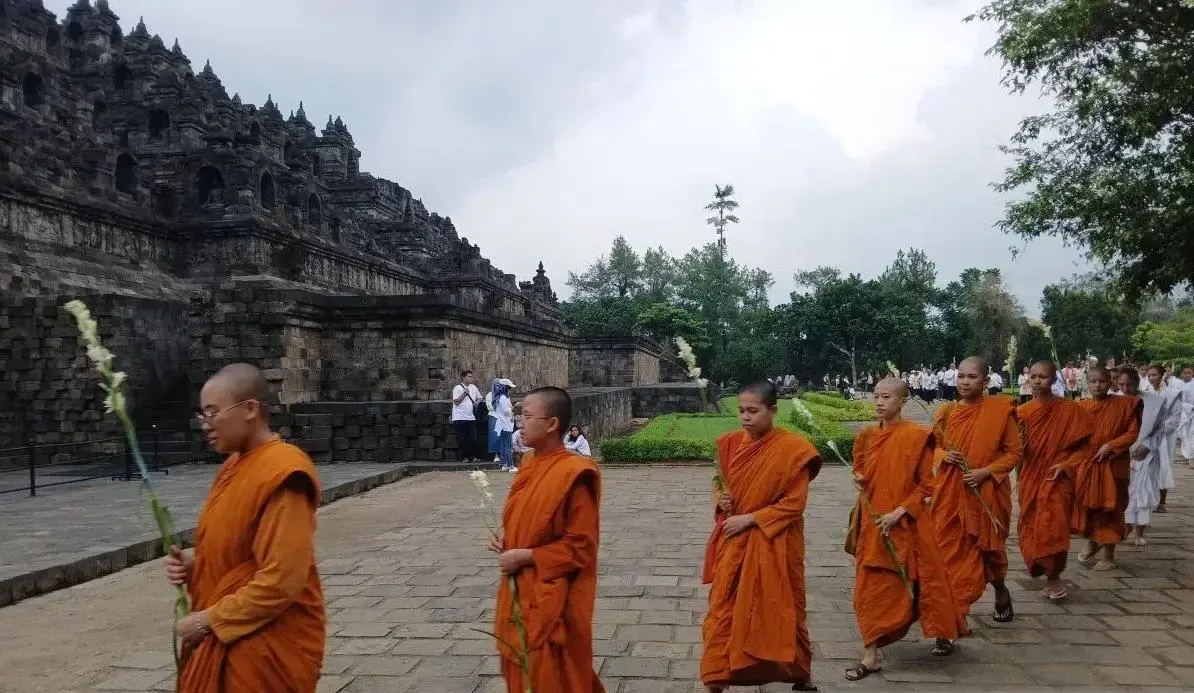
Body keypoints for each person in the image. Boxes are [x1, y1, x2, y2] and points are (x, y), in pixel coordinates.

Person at [165, 364, 325, 692]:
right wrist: (197, 568)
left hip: (264, 647)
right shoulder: (232, 466)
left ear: (250, 409)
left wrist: (209, 620)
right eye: (201, 415)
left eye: (212, 412)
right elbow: (238, 557)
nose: (205, 425)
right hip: (233, 638)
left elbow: (282, 580)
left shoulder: (283, 471)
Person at [700, 382, 822, 692]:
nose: (745, 417)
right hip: (735, 544)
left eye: (753, 411)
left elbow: (794, 504)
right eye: (741, 411)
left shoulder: (794, 450)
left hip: (776, 542)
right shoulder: (729, 444)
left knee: (785, 609)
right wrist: (721, 500)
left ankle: (800, 674)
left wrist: (750, 519)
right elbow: (721, 484)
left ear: (772, 411)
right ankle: (716, 680)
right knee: (723, 610)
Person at [845, 378, 967, 682]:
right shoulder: (866, 436)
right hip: (874, 524)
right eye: (876, 396)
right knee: (869, 588)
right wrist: (859, 479)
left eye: (886, 397)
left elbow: (927, 484)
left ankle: (943, 632)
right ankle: (870, 653)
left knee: (927, 580)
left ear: (902, 401)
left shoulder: (917, 436)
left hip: (909, 523)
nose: (879, 402)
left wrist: (899, 512)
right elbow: (860, 471)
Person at [488, 387, 603, 693]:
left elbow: (580, 547)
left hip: (551, 596)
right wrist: (509, 539)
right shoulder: (528, 464)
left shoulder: (574, 473)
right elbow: (529, 517)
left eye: (526, 415)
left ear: (551, 424)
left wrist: (525, 556)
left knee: (552, 676)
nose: (519, 422)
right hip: (519, 591)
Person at [930, 357, 1022, 624]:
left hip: (987, 493)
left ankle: (1000, 589)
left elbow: (1014, 452)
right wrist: (942, 456)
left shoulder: (999, 411)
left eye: (972, 377)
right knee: (947, 553)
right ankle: (950, 621)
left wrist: (986, 472)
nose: (965, 382)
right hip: (950, 494)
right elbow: (931, 447)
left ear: (985, 380)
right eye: (961, 376)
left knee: (989, 550)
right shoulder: (946, 412)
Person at [1016, 360, 1093, 601]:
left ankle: (1054, 577)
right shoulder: (1021, 413)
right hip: (1030, 478)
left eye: (1043, 377)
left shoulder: (1070, 410)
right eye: (1034, 376)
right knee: (1031, 526)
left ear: (1054, 380)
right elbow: (1013, 450)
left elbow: (1086, 447)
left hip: (1057, 478)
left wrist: (1067, 465)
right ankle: (1044, 568)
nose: (1037, 381)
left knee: (1054, 527)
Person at [1073, 367, 1140, 571]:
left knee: (1112, 507)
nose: (1097, 385)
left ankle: (1109, 556)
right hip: (1090, 464)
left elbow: (1132, 433)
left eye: (1102, 381)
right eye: (1092, 381)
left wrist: (1110, 446)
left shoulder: (1124, 404)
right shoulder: (1081, 406)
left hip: (1114, 463)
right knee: (1092, 507)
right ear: (1086, 383)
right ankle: (1094, 541)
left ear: (1110, 382)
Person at [1145, 365, 1181, 512]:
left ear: (1162, 375)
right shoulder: (1146, 394)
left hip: (1165, 436)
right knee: (1148, 466)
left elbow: (1175, 418)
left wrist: (1158, 429)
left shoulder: (1173, 394)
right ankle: (1150, 499)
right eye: (1149, 375)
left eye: (1154, 375)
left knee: (1164, 465)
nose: (1151, 378)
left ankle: (1163, 501)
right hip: (1149, 436)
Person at [451, 370, 483, 461]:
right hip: (459, 417)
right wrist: (464, 394)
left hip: (470, 417)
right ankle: (464, 457)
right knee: (462, 438)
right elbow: (456, 402)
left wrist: (476, 403)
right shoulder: (457, 388)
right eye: (469, 376)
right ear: (463, 377)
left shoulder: (473, 387)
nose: (471, 378)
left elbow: (480, 397)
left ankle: (473, 456)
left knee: (472, 438)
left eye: (471, 376)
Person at [488, 378, 517, 472]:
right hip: (505, 424)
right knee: (508, 445)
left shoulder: (500, 397)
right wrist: (514, 407)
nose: (510, 389)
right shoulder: (503, 398)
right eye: (509, 387)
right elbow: (506, 412)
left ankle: (504, 464)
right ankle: (510, 466)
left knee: (504, 445)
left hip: (503, 423)